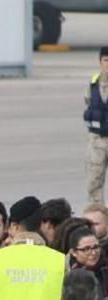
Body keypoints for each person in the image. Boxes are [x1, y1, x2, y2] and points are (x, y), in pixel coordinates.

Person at [66, 226, 108, 300]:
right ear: (74, 252)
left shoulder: (105, 270)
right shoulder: (70, 275)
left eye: (96, 247)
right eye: (86, 249)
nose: (93, 253)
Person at [84, 46, 108, 203]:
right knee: (94, 183)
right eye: (106, 60)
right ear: (100, 62)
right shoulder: (93, 84)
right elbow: (88, 104)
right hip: (97, 140)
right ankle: (98, 220)